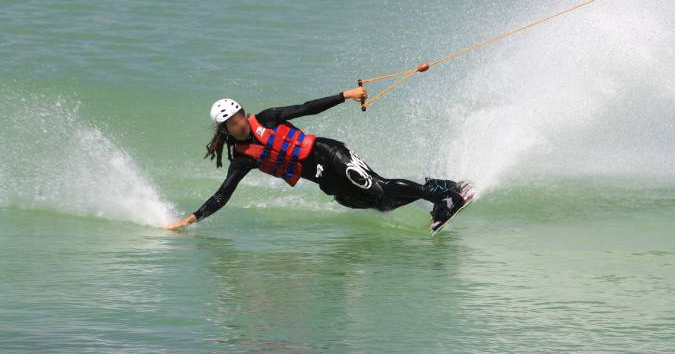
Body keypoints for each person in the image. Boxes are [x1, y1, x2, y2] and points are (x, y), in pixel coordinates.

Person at [164, 87, 471, 232]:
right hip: (325, 181)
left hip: (329, 154)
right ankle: (436, 188)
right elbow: (223, 194)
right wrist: (191, 219)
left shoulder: (268, 118)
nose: (240, 123)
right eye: (232, 122)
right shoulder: (242, 159)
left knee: (381, 187)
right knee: (381, 204)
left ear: (244, 113)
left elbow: (306, 107)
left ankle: (448, 196)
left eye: (240, 116)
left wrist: (345, 95)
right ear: (226, 129)